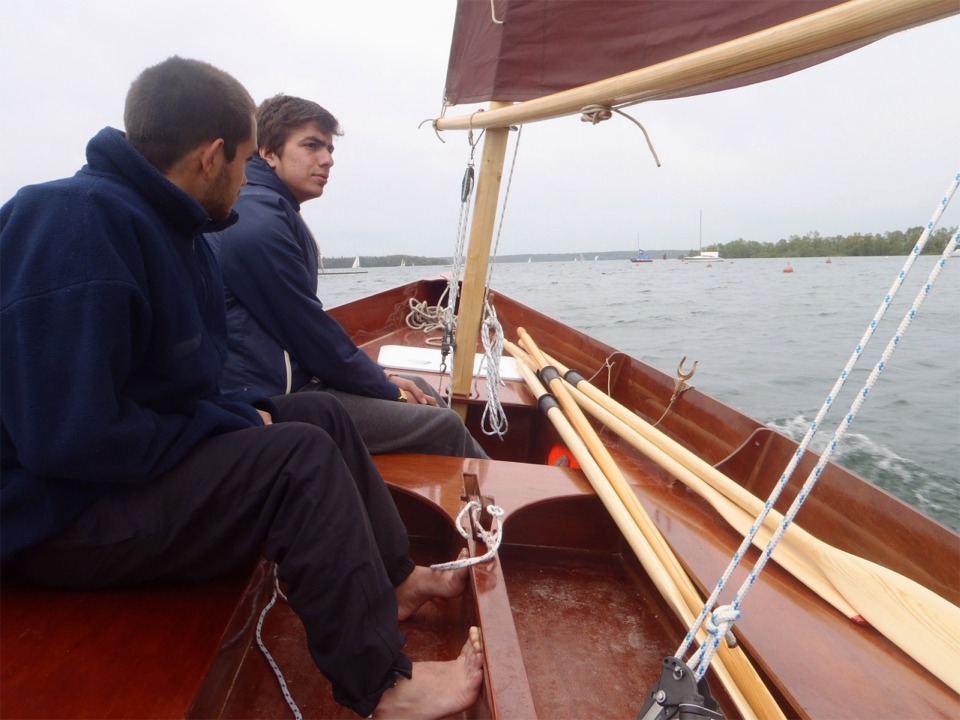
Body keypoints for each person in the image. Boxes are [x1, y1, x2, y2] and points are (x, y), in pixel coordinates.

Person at [0, 56, 482, 719]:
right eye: (248, 160)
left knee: (316, 416)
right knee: (296, 459)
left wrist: (236, 415)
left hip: (125, 478)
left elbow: (178, 395)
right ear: (213, 154)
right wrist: (225, 428)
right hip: (60, 521)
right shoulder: (71, 226)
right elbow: (68, 441)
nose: (249, 176)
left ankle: (394, 582)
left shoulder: (184, 233)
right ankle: (382, 687)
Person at [204, 94, 488, 458]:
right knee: (440, 424)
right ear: (268, 153)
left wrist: (383, 381)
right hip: (268, 401)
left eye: (329, 148)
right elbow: (307, 331)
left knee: (417, 386)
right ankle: (498, 503)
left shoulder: (269, 208)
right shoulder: (257, 222)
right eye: (311, 145)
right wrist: (387, 389)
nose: (328, 159)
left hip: (292, 384)